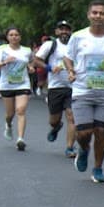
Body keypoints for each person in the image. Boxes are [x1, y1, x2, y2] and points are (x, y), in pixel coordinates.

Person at [62, 0, 104, 183]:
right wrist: (70, 70)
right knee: (84, 133)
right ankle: (84, 149)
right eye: (95, 12)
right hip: (82, 91)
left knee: (101, 131)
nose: (98, 16)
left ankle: (98, 168)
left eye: (102, 13)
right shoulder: (78, 37)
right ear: (88, 15)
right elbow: (67, 58)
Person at [34, 19, 78, 158]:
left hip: (73, 87)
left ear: (70, 31)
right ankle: (56, 127)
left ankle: (70, 148)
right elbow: (36, 60)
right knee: (54, 120)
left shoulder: (76, 45)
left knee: (72, 117)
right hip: (55, 87)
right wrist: (50, 68)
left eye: (67, 29)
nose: (64, 32)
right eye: (61, 29)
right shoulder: (50, 45)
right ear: (57, 31)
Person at [0, 26, 33, 150]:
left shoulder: (27, 50)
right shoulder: (1, 49)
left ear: (20, 37)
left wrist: (30, 67)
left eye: (16, 35)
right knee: (10, 114)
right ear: (7, 37)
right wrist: (5, 62)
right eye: (11, 35)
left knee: (21, 110)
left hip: (23, 84)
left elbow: (31, 61)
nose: (14, 37)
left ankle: (20, 139)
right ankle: (8, 124)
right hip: (6, 84)